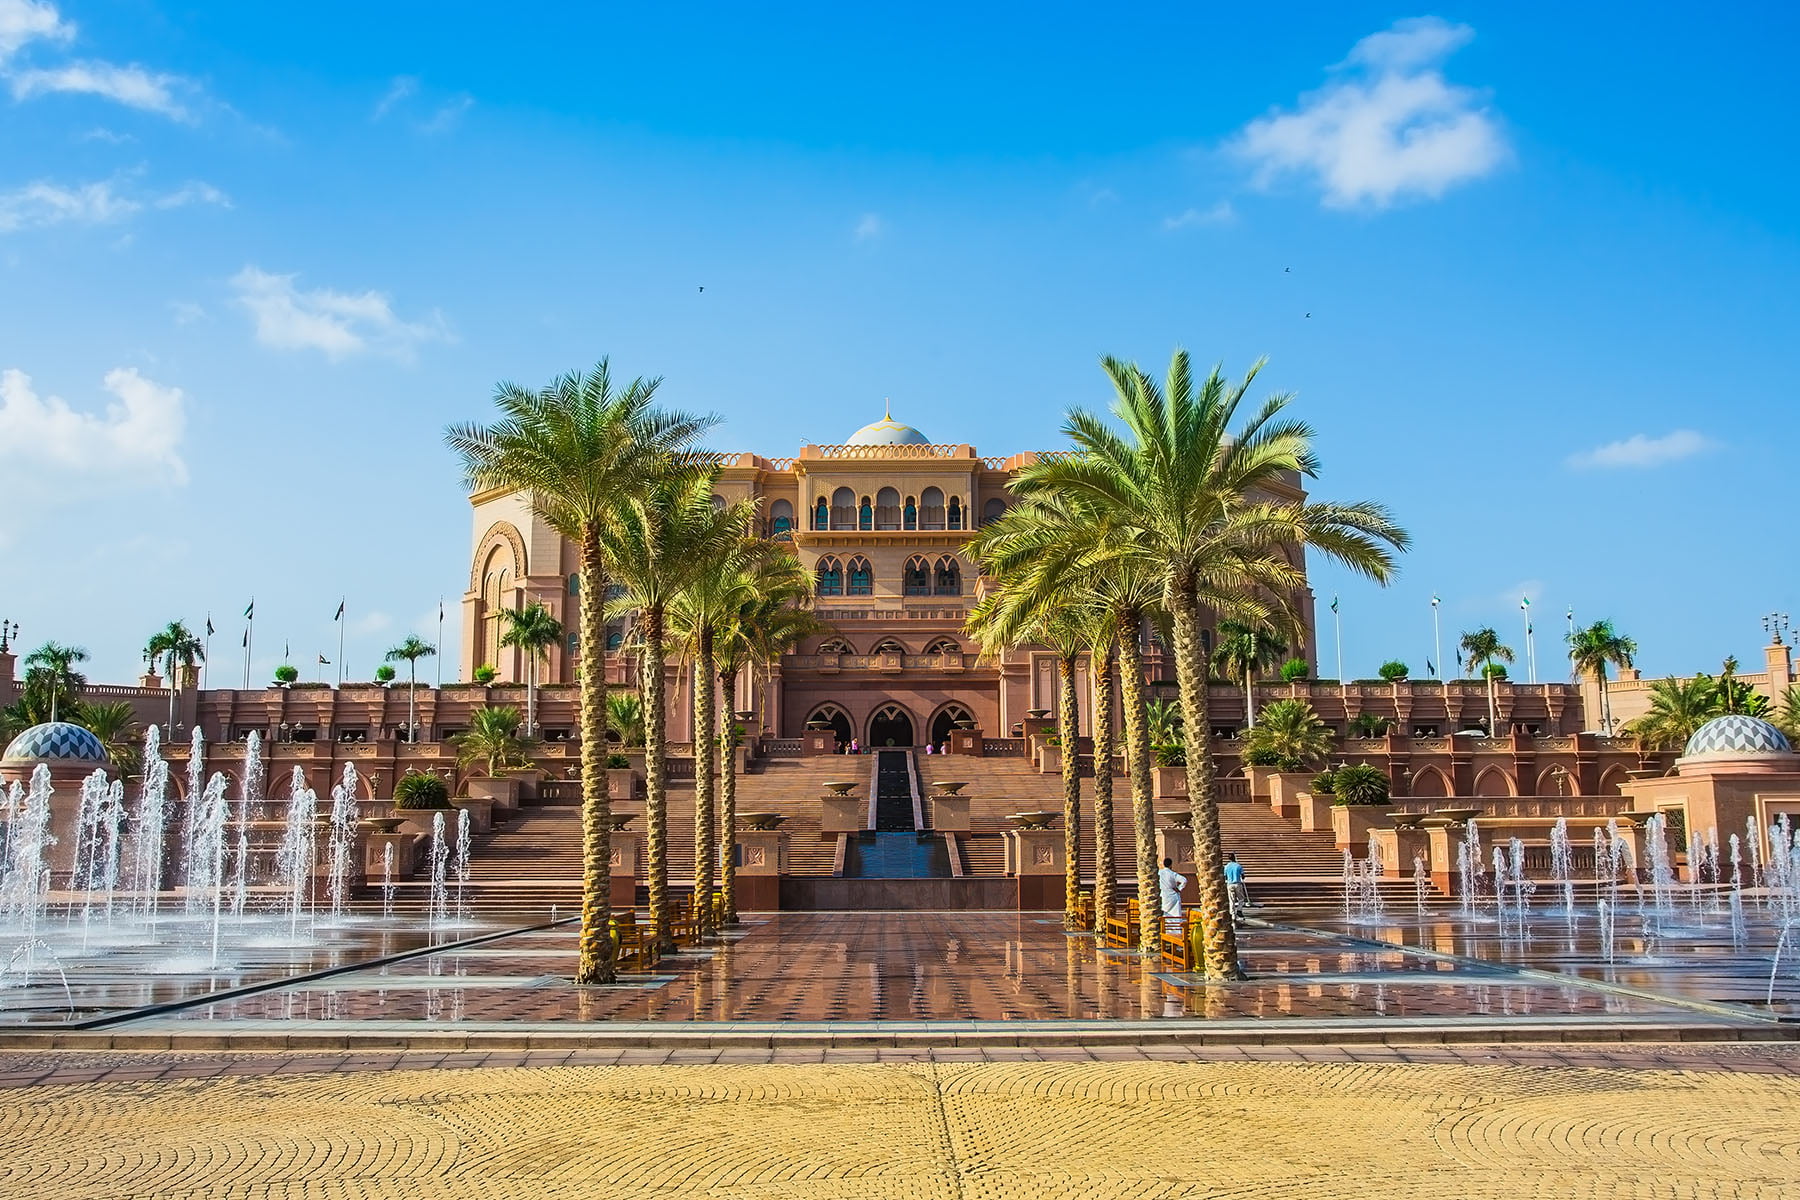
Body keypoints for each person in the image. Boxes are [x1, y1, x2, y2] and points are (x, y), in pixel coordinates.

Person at [1157, 857, 1186, 929]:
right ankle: (1176, 930)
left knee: (1165, 914)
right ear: (1171, 865)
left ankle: (1166, 929)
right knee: (1175, 915)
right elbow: (1184, 880)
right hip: (1173, 897)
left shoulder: (1159, 873)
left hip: (1164, 896)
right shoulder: (1172, 874)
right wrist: (1179, 889)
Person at [1224, 852, 1250, 919]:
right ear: (1234, 858)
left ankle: (1232, 914)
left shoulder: (1226, 866)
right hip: (1237, 884)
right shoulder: (1238, 866)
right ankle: (1239, 910)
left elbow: (1225, 876)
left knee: (1231, 900)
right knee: (1241, 899)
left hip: (1230, 884)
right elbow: (1243, 876)